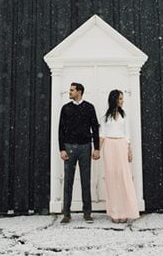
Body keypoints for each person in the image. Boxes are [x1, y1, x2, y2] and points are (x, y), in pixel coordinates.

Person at [58, 81, 100, 224]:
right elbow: (60, 130)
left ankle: (87, 213)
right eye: (69, 90)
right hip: (69, 147)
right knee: (68, 181)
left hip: (85, 147)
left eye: (72, 90)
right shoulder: (65, 108)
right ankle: (66, 214)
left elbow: (95, 128)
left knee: (85, 180)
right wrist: (62, 149)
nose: (69, 92)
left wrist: (97, 148)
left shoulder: (89, 108)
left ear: (79, 91)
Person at [100, 89, 140, 223]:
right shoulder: (105, 117)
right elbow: (102, 135)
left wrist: (129, 150)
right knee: (112, 178)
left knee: (124, 178)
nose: (123, 101)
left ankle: (125, 211)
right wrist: (97, 150)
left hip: (122, 145)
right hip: (109, 146)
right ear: (114, 100)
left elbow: (127, 134)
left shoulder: (124, 116)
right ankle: (114, 212)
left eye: (123, 98)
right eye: (120, 99)